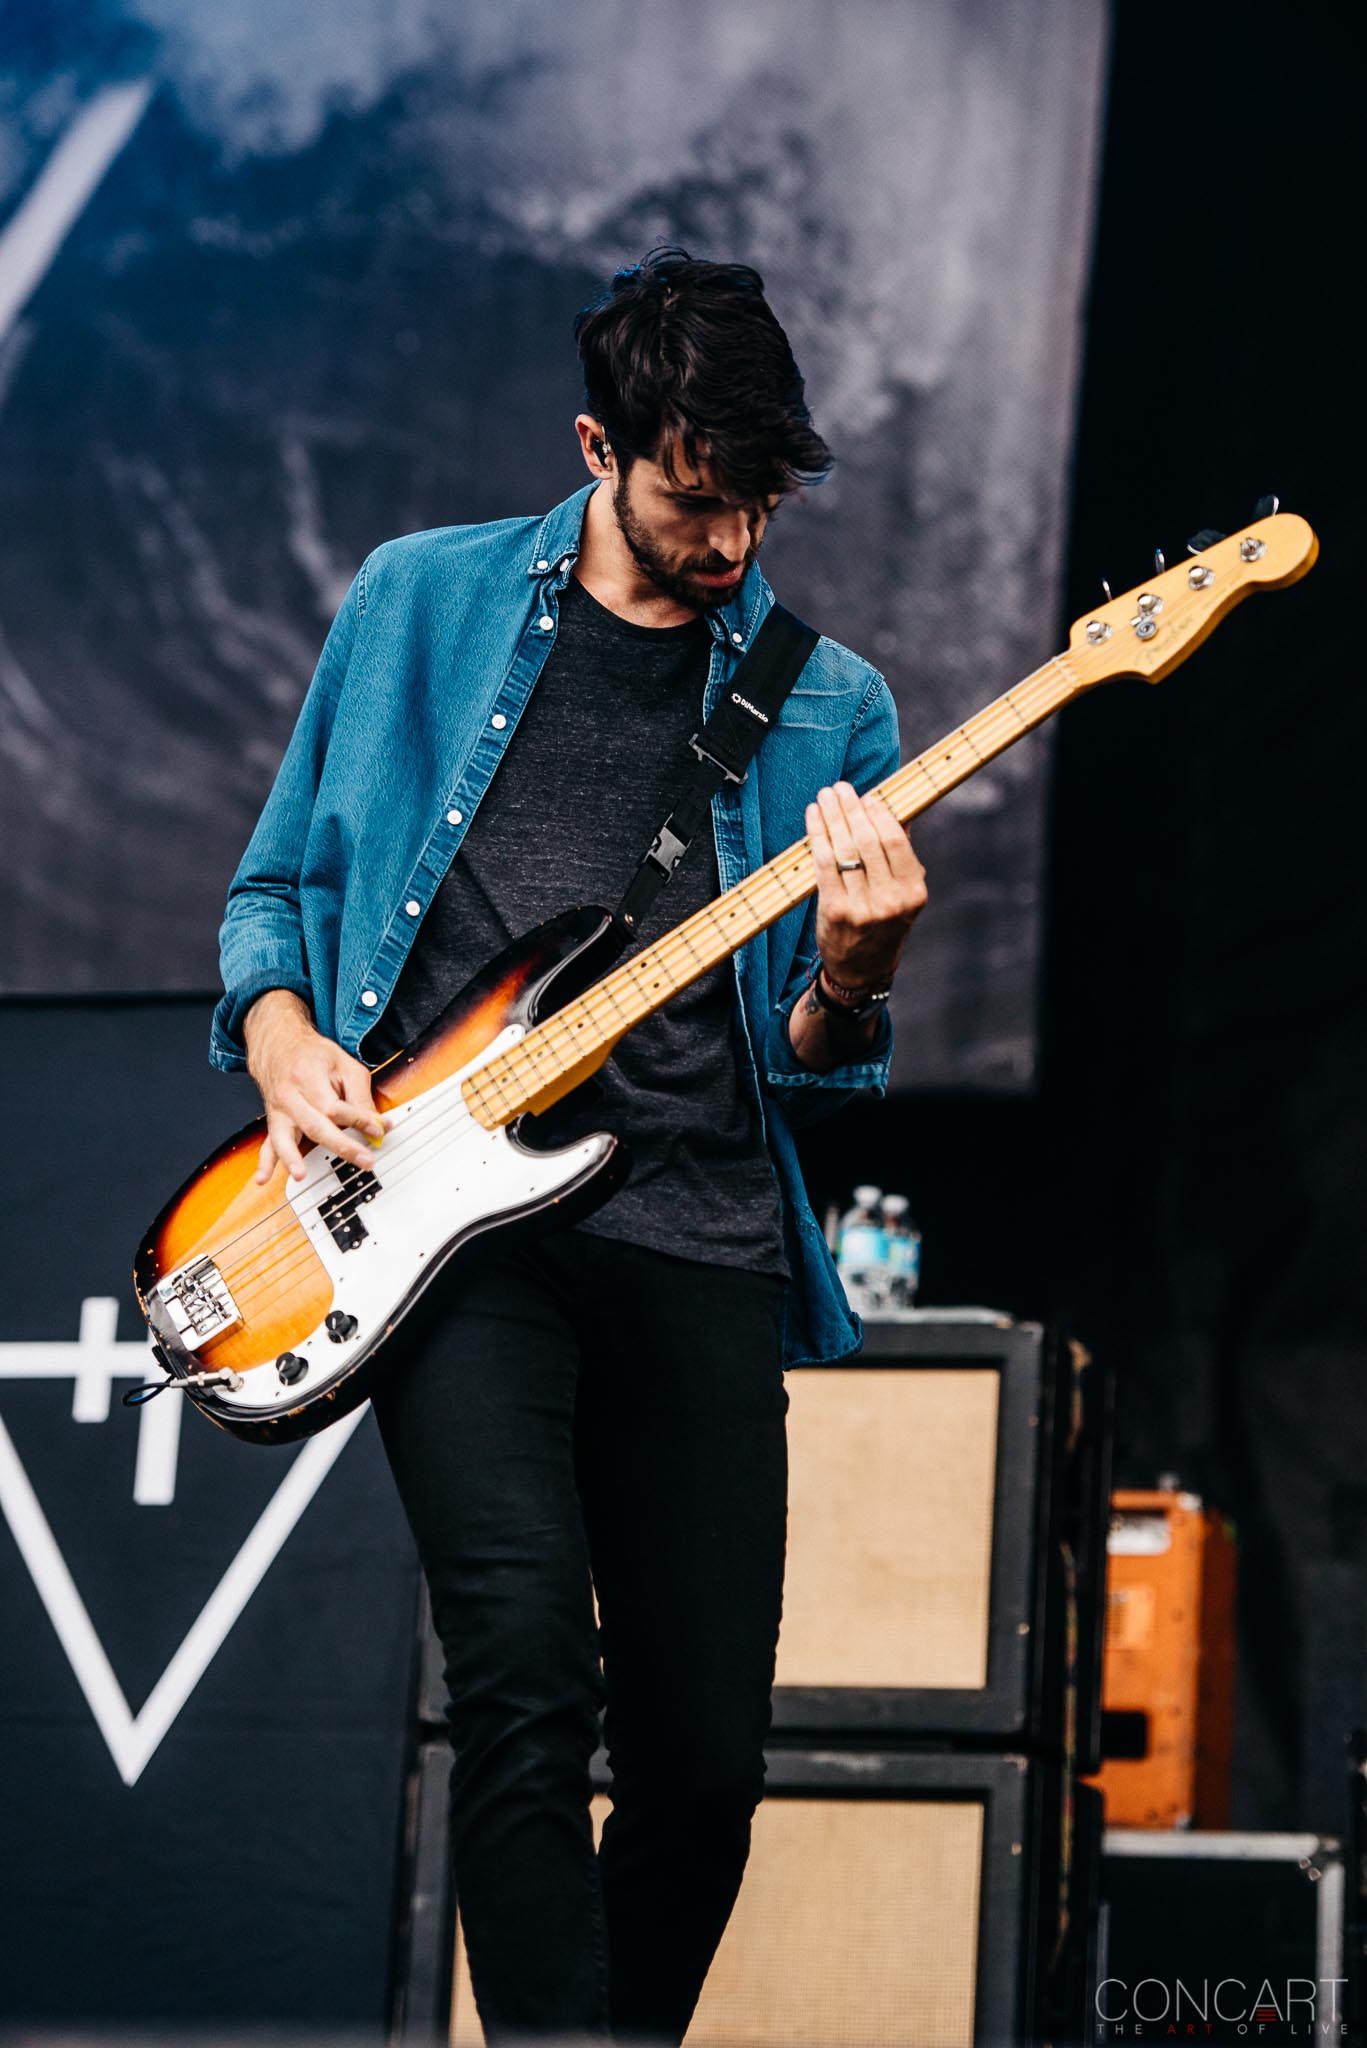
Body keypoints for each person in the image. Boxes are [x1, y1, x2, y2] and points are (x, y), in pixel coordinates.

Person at [210, 248, 927, 2044]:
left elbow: (811, 1066)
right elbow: (278, 890)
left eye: (764, 499)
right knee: (526, 1675)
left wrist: (852, 979)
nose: (736, 542)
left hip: (694, 1238)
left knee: (704, 1760)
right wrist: (286, 1037)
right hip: (458, 1236)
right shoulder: (417, 605)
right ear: (599, 446)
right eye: (698, 497)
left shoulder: (830, 706)